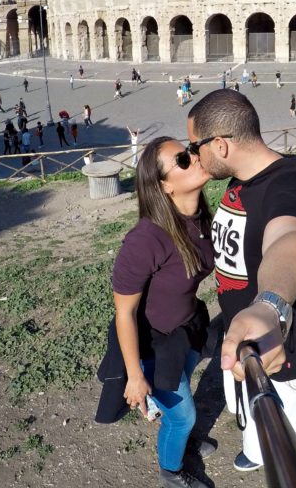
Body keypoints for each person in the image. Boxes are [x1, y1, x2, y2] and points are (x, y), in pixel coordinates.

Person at [186, 90, 296, 473]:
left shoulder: (290, 185)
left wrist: (270, 304)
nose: (192, 155)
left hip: (287, 346)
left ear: (219, 145)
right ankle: (254, 450)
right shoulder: (243, 180)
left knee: (286, 431)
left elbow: (288, 242)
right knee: (253, 414)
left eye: (194, 146)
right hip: (247, 338)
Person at [95, 136, 215, 488]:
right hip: (155, 346)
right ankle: (171, 473)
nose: (194, 157)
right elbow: (124, 313)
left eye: (191, 151)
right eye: (182, 159)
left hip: (187, 328)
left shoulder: (200, 219)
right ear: (164, 186)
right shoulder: (146, 239)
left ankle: (181, 433)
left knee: (181, 403)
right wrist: (135, 376)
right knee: (182, 416)